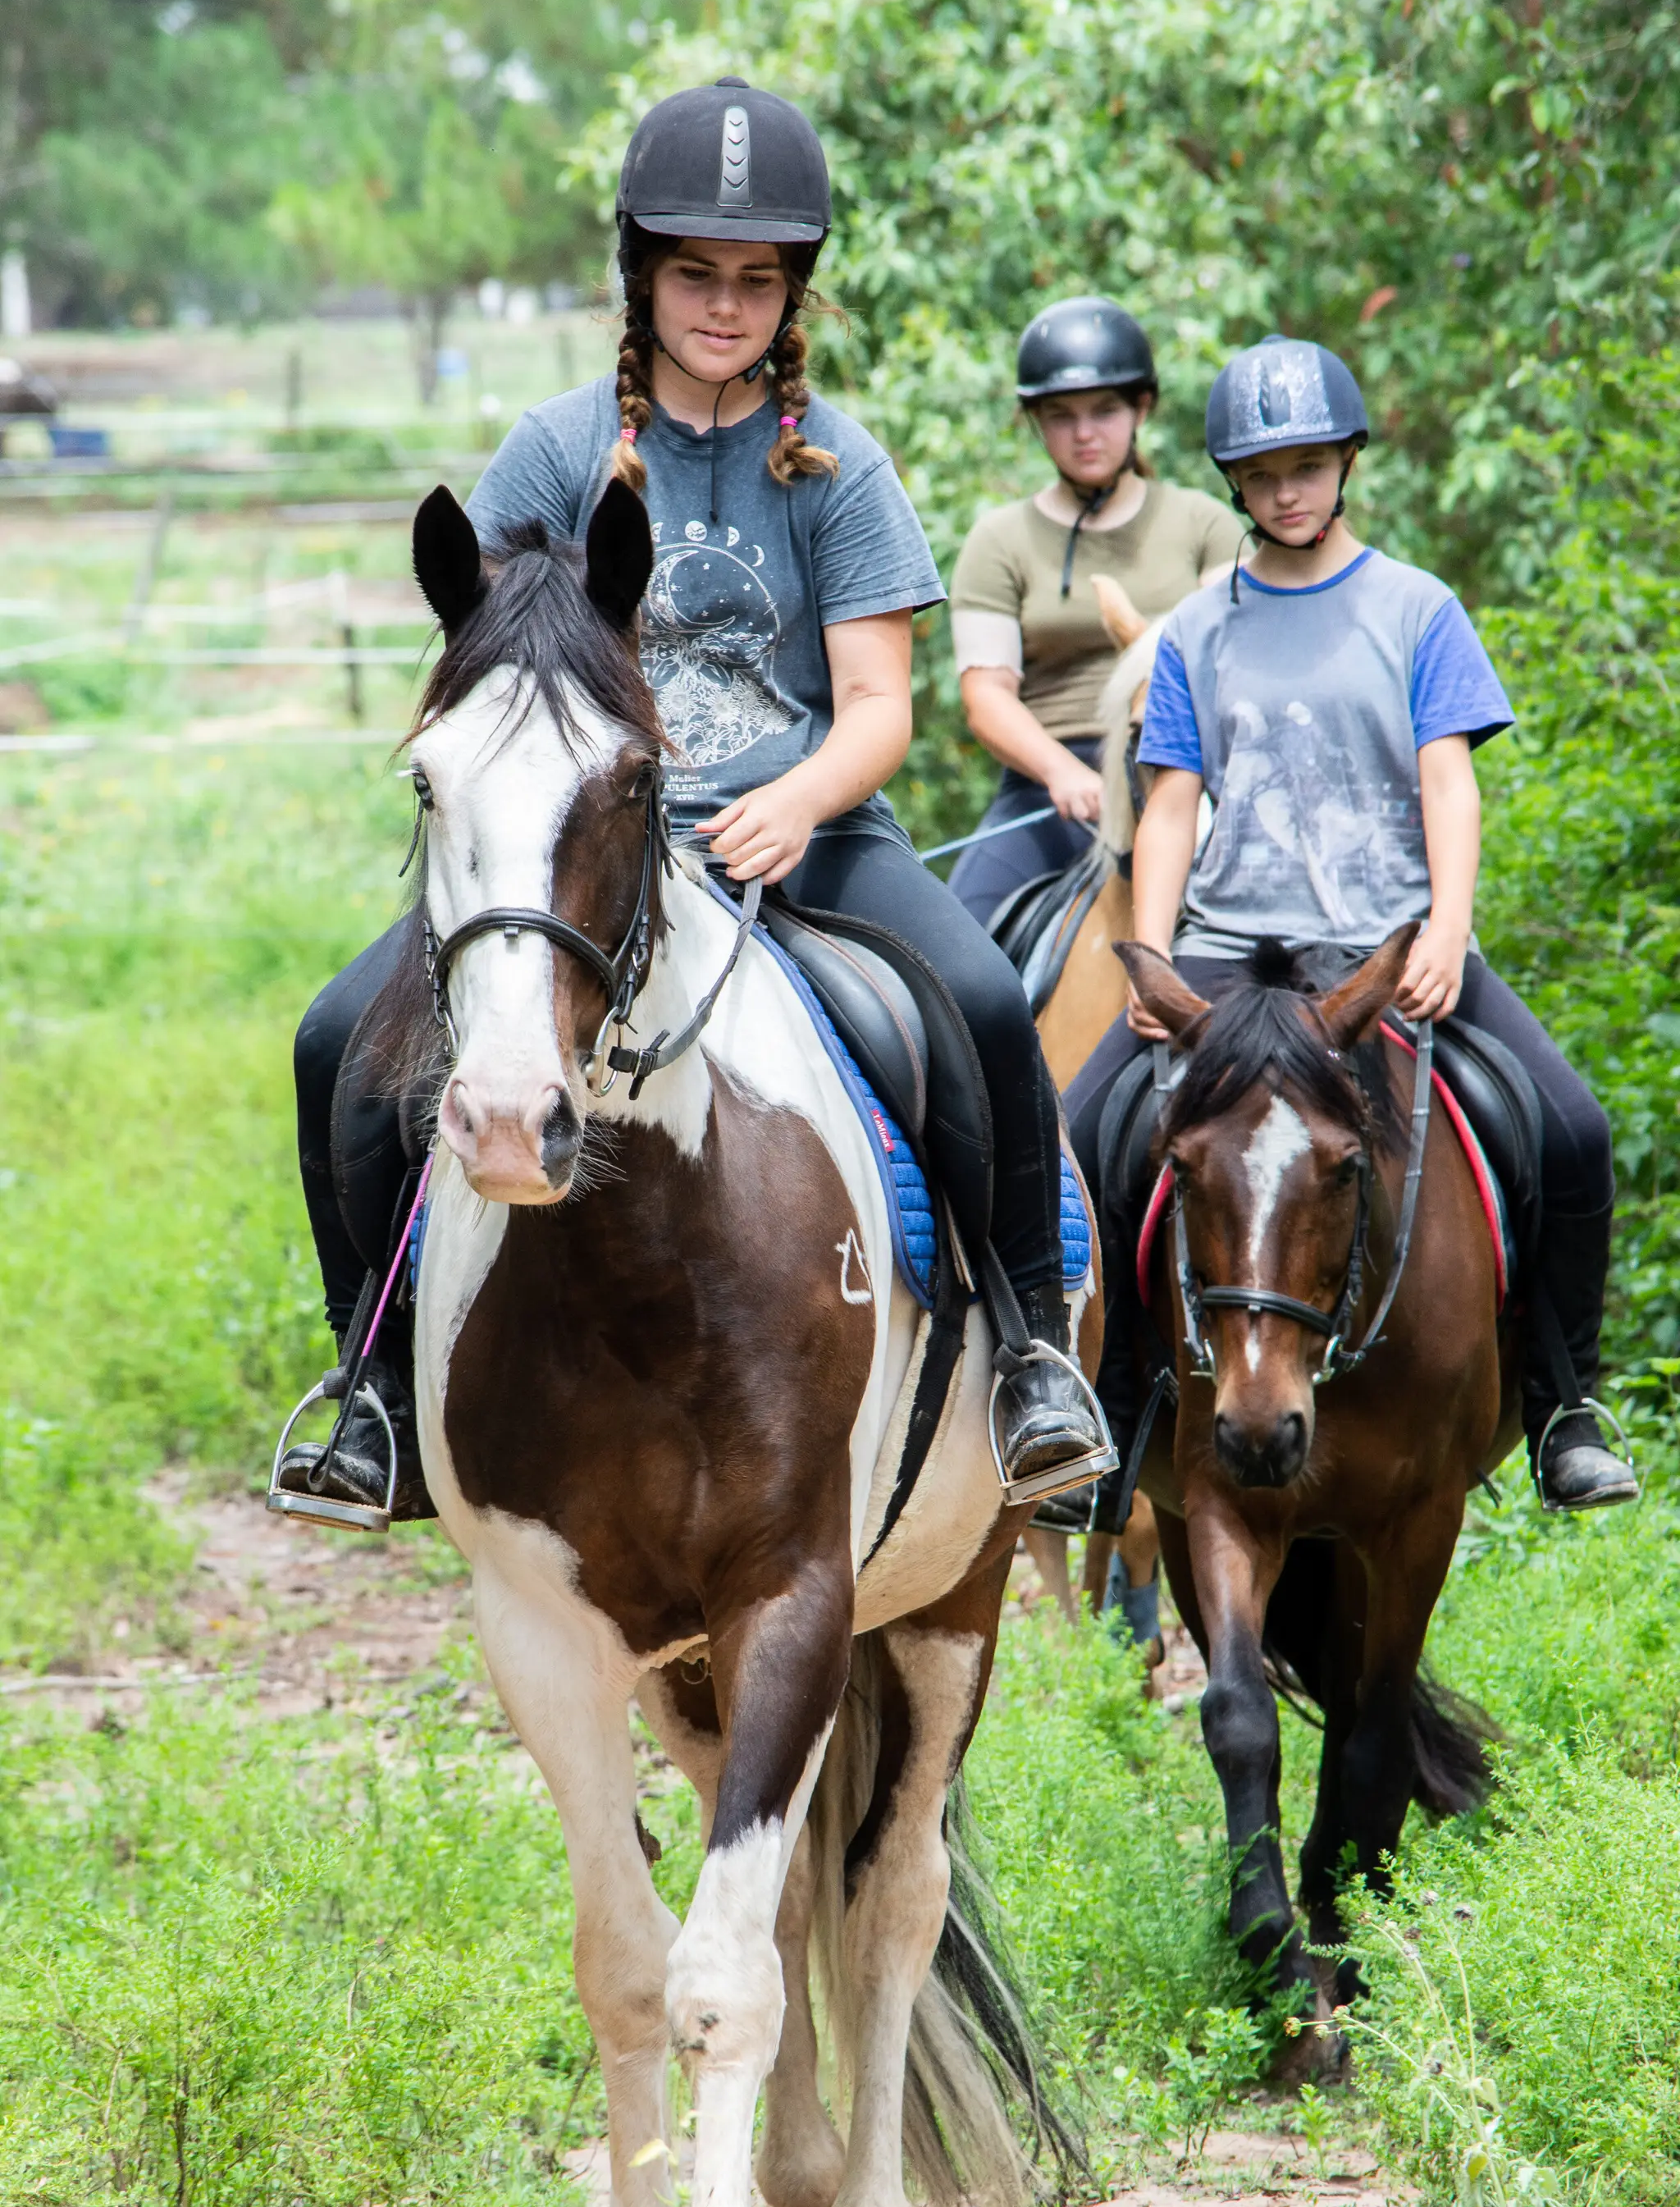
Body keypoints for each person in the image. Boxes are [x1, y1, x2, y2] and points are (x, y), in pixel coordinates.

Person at [277, 77, 1110, 1520]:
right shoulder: (548, 453)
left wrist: (793, 802)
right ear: (640, 277)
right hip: (579, 851)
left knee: (977, 1002)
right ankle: (375, 1391)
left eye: (755, 280)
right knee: (338, 1040)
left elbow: (876, 711)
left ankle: (1031, 1353)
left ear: (790, 295)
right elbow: (487, 677)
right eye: (694, 274)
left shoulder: (836, 468)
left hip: (805, 836)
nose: (723, 305)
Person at [1065, 332, 1637, 1514]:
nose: (1289, 490)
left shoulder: (1417, 610)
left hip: (1389, 946)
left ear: (1348, 461)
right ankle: (1114, 1409)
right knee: (1081, 1131)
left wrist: (1445, 929)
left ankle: (1564, 1405)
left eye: (1310, 465)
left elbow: (1447, 781)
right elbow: (1170, 801)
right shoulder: (1197, 634)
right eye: (1265, 474)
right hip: (1232, 948)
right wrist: (1156, 951)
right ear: (1235, 483)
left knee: (1572, 1132)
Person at [945, 298, 1243, 930]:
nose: (1085, 433)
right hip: (1053, 785)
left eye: (1105, 411)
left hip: (1188, 768)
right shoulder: (999, 539)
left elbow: (1237, 660)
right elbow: (987, 696)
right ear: (1037, 424)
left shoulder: (1204, 524)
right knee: (960, 962)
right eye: (1062, 416)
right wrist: (1063, 772)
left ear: (1142, 409)